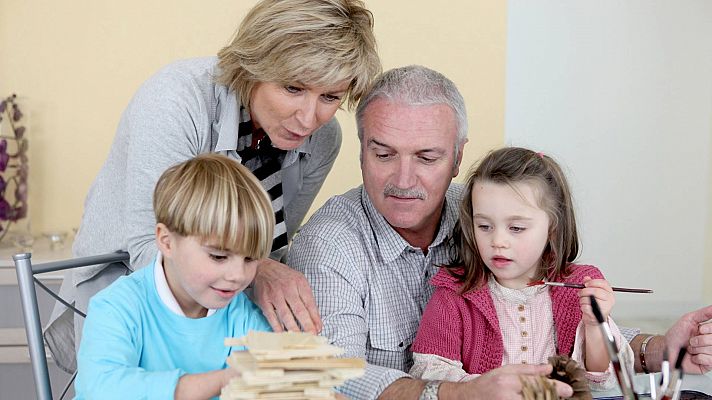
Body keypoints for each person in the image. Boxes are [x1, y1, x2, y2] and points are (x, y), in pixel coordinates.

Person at [288, 65, 712, 400]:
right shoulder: (328, 247)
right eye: (383, 154)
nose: (404, 178)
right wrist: (461, 393)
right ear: (361, 150)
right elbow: (334, 377)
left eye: (427, 157)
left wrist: (661, 351)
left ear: (458, 158)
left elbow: (563, 319)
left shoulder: (485, 212)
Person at [46, 0, 381, 373]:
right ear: (255, 66)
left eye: (330, 97)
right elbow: (150, 249)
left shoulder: (322, 139)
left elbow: (265, 246)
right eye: (292, 88)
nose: (308, 118)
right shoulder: (176, 99)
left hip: (226, 306)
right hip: (132, 305)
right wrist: (260, 271)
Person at [409, 147, 632, 390]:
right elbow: (429, 373)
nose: (498, 241)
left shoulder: (578, 289)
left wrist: (595, 325)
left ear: (552, 229)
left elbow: (602, 381)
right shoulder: (453, 295)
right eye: (484, 226)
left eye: (516, 228)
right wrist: (485, 388)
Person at [74, 154, 274, 399]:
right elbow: (101, 389)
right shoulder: (118, 307)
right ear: (167, 242)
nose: (238, 276)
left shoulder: (243, 316)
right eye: (219, 257)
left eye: (250, 259)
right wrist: (225, 380)